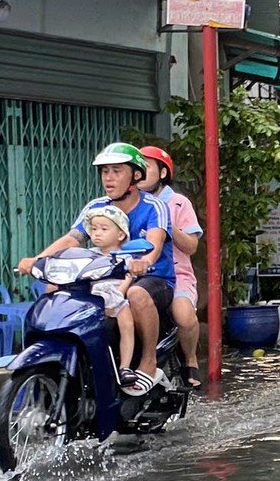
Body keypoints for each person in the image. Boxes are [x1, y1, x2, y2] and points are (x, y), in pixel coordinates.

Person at [20, 143, 171, 388]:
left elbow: (155, 241)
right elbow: (73, 238)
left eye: (116, 171)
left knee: (136, 293)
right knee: (53, 292)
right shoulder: (96, 207)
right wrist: (38, 259)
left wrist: (144, 262)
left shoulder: (154, 206)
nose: (109, 178)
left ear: (135, 175)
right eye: (105, 172)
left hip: (153, 278)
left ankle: (148, 360)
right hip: (104, 277)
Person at [42, 204, 147, 390]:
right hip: (91, 298)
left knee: (126, 322)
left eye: (104, 229)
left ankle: (125, 367)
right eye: (94, 229)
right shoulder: (88, 255)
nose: (97, 233)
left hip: (115, 296)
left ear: (121, 234)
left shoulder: (125, 256)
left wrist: (118, 294)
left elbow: (129, 277)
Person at [140, 146, 203, 388]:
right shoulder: (131, 202)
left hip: (177, 274)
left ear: (163, 172)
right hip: (138, 274)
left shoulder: (178, 203)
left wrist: (166, 225)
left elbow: (191, 246)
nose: (139, 173)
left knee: (184, 316)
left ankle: (190, 359)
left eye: (146, 167)